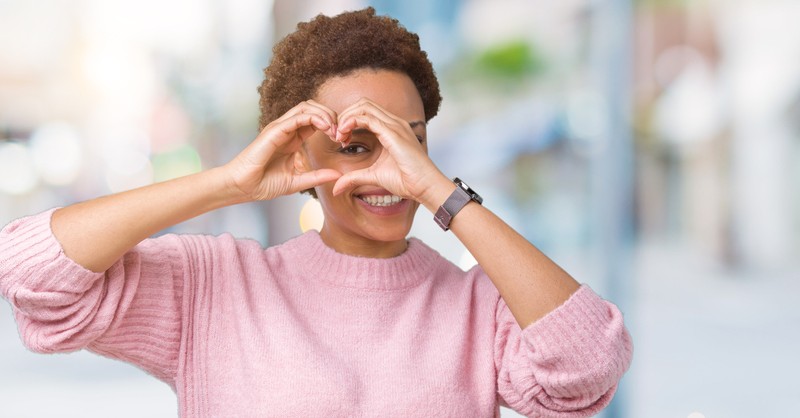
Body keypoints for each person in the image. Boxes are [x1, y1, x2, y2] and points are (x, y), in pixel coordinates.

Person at [0, 7, 632, 418]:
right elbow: (31, 271)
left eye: (408, 142)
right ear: (298, 149)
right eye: (358, 147)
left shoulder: (477, 306)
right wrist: (227, 184)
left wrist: (445, 194)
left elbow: (588, 367)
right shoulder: (216, 285)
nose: (389, 172)